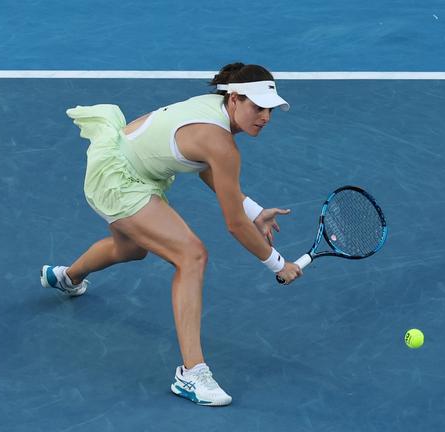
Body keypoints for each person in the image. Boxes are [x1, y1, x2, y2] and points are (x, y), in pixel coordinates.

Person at [40, 62, 303, 406]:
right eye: (257, 107)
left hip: (126, 166)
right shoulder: (220, 141)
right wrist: (277, 264)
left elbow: (208, 169)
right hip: (119, 180)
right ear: (235, 99)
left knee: (131, 248)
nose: (265, 117)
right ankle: (191, 374)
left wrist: (254, 211)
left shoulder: (217, 114)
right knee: (191, 255)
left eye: (269, 109)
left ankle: (66, 277)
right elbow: (234, 224)